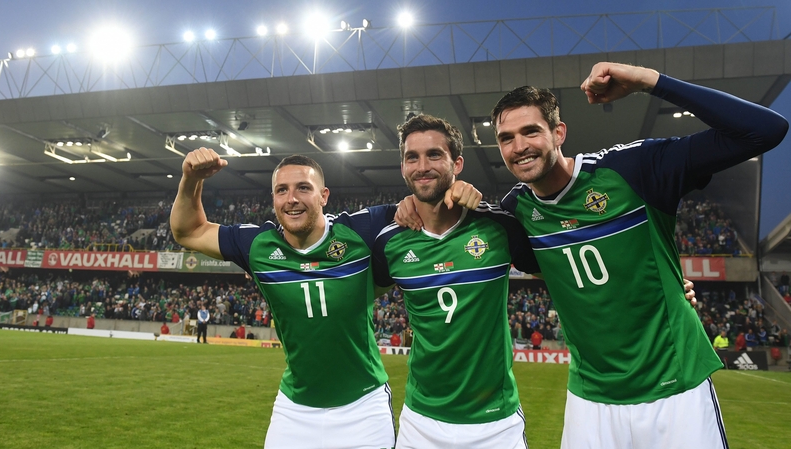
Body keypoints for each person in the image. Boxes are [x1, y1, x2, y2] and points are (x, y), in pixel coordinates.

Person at [488, 62, 787, 448]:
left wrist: (651, 81)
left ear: (559, 132)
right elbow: (543, 267)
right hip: (590, 401)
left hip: (675, 389)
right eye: (506, 138)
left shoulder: (633, 168)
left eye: (530, 131)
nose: (519, 147)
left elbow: (765, 130)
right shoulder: (515, 212)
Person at [170, 150, 400, 448]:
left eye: (303, 187)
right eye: (282, 190)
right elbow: (187, 230)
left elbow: (426, 204)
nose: (291, 198)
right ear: (274, 198)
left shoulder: (361, 230)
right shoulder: (257, 245)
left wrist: (450, 194)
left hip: (363, 408)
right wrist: (191, 178)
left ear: (323, 196)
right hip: (295, 410)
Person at [374, 114, 538, 449]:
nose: (422, 166)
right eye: (412, 157)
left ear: (457, 163)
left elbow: (557, 268)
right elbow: (355, 294)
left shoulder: (499, 227)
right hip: (420, 421)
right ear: (403, 167)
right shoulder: (388, 242)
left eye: (434, 155)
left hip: (495, 422)